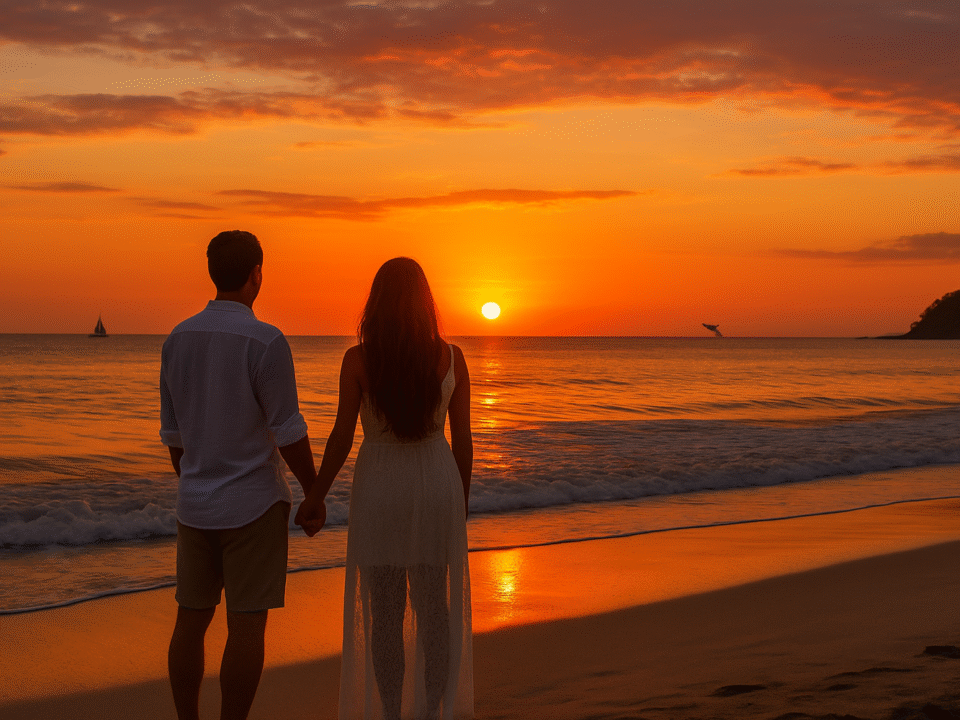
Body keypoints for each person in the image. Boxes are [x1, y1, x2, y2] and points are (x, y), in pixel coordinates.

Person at [296, 257, 474, 720]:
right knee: (436, 610)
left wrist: (314, 496)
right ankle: (433, 711)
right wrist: (462, 505)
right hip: (437, 486)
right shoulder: (451, 357)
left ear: (375, 303)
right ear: (425, 302)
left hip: (381, 488)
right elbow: (464, 442)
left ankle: (392, 711)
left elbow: (341, 436)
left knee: (386, 614)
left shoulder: (358, 360)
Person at [159, 230, 317, 720]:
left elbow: (175, 438)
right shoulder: (266, 341)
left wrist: (195, 480)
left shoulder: (177, 339)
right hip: (253, 503)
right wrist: (314, 491)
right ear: (257, 275)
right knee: (246, 626)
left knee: (190, 621)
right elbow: (287, 429)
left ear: (212, 272)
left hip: (196, 503)